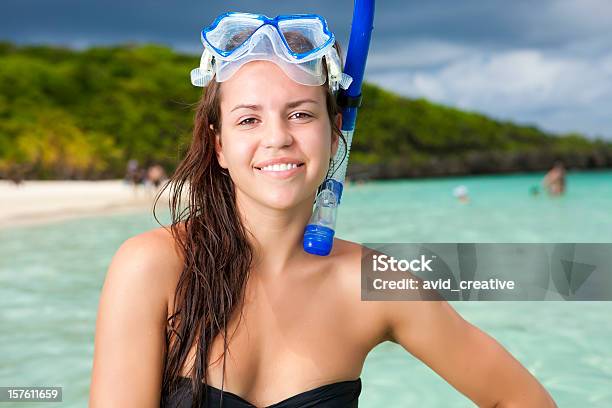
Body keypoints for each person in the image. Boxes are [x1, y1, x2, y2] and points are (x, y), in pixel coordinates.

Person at [89, 11, 556, 408]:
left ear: (335, 135)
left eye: (300, 114)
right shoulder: (153, 267)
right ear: (219, 147)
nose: (277, 137)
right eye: (249, 119)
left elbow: (518, 397)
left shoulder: (371, 282)